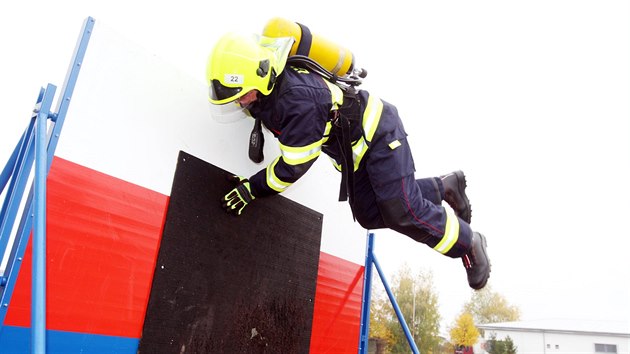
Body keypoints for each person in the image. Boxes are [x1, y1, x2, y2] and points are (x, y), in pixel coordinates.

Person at [206, 32, 491, 290]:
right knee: (369, 213)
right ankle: (444, 187)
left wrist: (251, 189)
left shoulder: (297, 101)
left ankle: (468, 243)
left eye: (240, 96)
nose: (239, 102)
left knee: (401, 211)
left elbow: (291, 167)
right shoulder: (268, 90)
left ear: (258, 79)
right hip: (355, 152)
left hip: (378, 133)